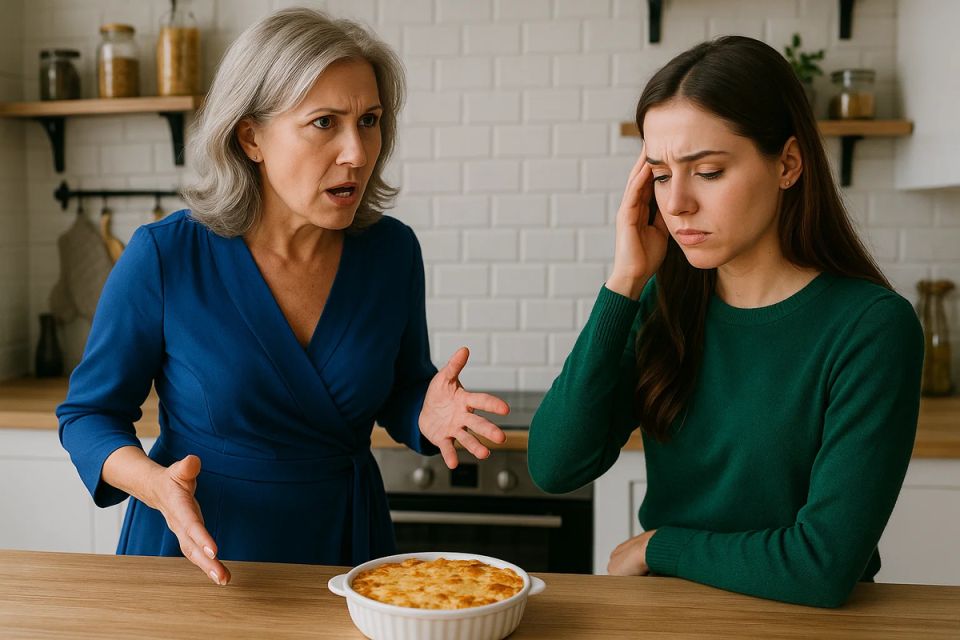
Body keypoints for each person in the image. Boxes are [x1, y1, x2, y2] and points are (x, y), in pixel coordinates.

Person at [57, 8, 508, 587]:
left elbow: (399, 386)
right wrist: (155, 485)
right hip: (197, 555)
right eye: (324, 122)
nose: (357, 152)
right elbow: (88, 415)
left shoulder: (392, 253)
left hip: (344, 553)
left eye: (369, 121)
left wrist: (424, 409)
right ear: (251, 137)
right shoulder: (165, 256)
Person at [527, 35, 923, 608]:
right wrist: (624, 283)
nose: (676, 203)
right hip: (670, 617)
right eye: (661, 175)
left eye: (708, 171)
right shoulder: (663, 303)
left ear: (788, 164)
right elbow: (555, 466)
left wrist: (660, 546)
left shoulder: (872, 329)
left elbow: (822, 565)